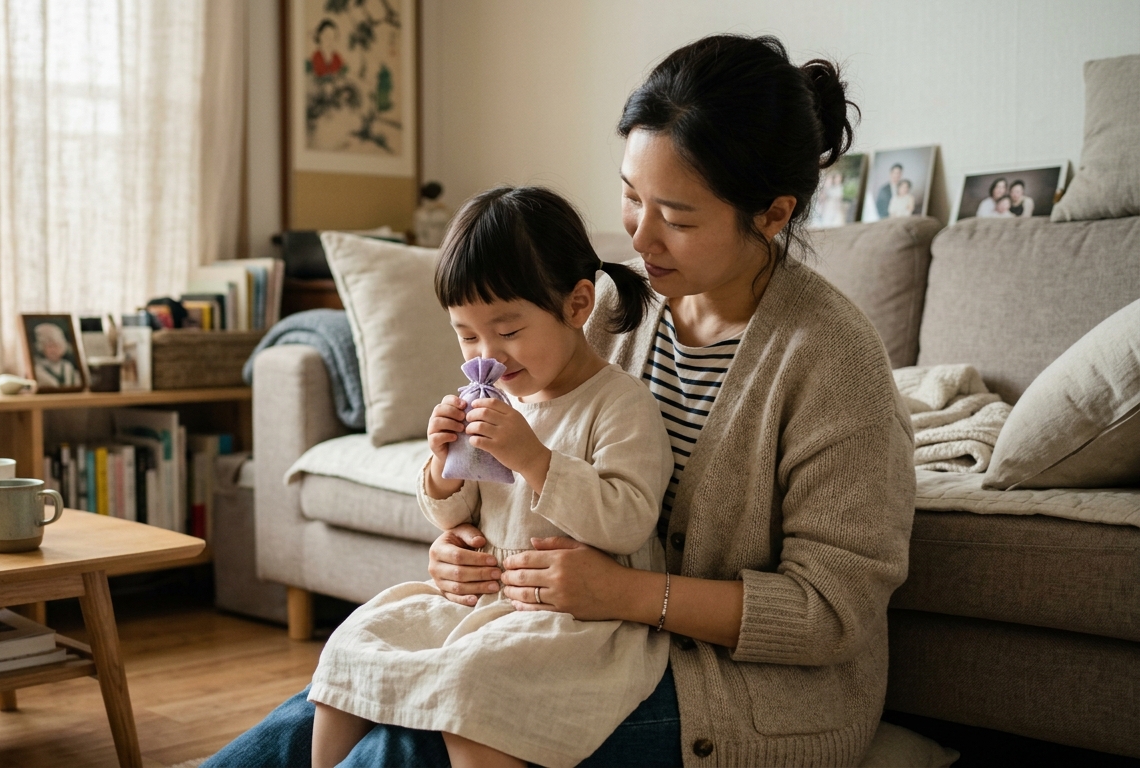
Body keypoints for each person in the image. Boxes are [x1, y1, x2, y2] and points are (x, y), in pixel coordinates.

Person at [208, 34, 914, 768]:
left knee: (406, 740)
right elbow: (511, 479)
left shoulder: (834, 363)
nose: (639, 236)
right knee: (343, 690)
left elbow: (830, 615)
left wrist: (628, 593)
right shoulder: (609, 310)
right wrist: (458, 550)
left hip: (740, 690)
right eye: (631, 197)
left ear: (772, 214)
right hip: (555, 632)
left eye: (676, 216)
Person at [310, 186, 671, 768]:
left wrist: (533, 457)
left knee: (473, 686)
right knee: (357, 642)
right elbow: (457, 516)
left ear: (578, 305)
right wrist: (442, 466)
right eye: (467, 335)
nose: (489, 355)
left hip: (578, 622)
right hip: (483, 601)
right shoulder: (494, 400)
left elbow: (627, 522)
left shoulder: (618, 405)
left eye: (508, 331)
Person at [31, 322, 82, 388]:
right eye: (49, 346)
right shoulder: (38, 370)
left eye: (56, 346)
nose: (53, 350)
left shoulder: (68, 367)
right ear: (42, 348)